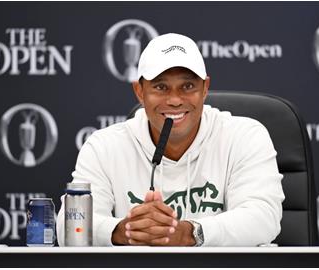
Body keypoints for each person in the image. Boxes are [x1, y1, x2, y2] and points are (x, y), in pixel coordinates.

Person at [57, 33, 285, 247]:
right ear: (139, 91)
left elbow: (263, 217)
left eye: (188, 86)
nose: (175, 100)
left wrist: (189, 233)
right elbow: (67, 224)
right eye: (160, 87)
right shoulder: (104, 146)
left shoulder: (244, 136)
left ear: (205, 88)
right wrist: (124, 231)